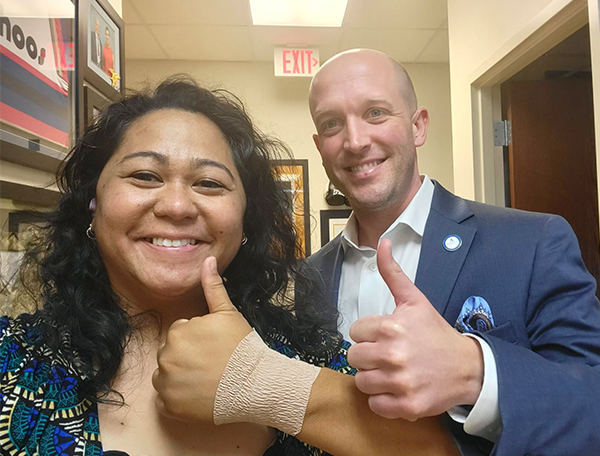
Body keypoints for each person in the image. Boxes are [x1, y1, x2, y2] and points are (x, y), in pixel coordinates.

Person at [0, 77, 459, 456]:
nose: (178, 205)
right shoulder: (12, 361)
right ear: (92, 203)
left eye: (209, 183)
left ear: (244, 222)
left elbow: (437, 448)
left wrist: (264, 384)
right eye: (144, 176)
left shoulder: (307, 357)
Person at [304, 49, 600, 455]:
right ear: (320, 146)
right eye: (332, 123)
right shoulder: (304, 280)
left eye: (375, 113)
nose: (355, 141)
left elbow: (592, 405)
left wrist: (474, 372)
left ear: (418, 126)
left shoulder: (533, 242)